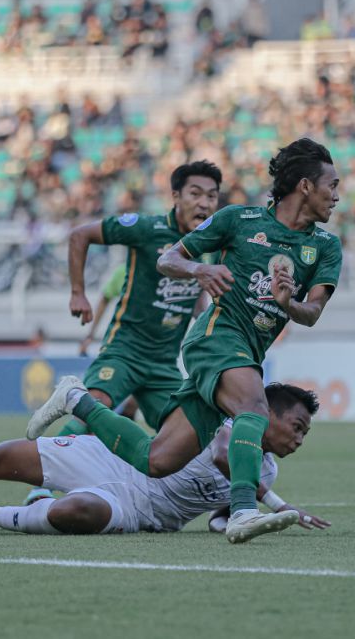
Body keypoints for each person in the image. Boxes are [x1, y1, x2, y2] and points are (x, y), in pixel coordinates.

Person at [27, 138, 342, 543]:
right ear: (304, 186)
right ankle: (241, 511)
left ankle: (74, 399)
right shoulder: (239, 220)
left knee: (157, 459)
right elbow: (168, 259)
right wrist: (199, 271)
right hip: (214, 338)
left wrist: (290, 303)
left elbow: (312, 314)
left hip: (239, 353)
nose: (336, 196)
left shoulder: (326, 247)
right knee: (253, 408)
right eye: (331, 186)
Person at [0, 383, 328, 536]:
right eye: (298, 426)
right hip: (112, 462)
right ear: (265, 414)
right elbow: (226, 458)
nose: (300, 439)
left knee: (71, 513)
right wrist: (279, 505)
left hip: (143, 512)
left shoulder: (267, 468)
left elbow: (219, 520)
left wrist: (227, 521)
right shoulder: (230, 434)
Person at [21, 161, 220, 505]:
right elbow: (80, 234)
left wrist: (206, 324)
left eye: (212, 196)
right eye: (196, 193)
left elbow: (197, 293)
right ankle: (41, 486)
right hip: (124, 351)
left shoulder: (209, 242)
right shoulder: (147, 228)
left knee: (188, 432)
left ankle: (218, 502)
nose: (204, 203)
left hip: (163, 365)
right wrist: (77, 292)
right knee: (93, 405)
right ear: (176, 196)